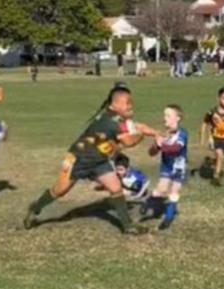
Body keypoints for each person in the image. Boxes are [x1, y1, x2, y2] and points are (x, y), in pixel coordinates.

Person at [23, 84, 160, 234]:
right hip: (78, 159)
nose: (131, 106)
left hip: (99, 161)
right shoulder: (111, 122)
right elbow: (129, 142)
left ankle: (128, 226)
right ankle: (35, 208)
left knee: (116, 188)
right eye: (127, 103)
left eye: (131, 102)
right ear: (114, 106)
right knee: (59, 191)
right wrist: (141, 136)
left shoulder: (118, 118)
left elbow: (138, 126)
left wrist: (157, 134)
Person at [142, 105, 188, 230]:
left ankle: (168, 218)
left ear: (177, 118)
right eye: (164, 115)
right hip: (167, 166)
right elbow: (151, 153)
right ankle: (149, 201)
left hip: (179, 167)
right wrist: (156, 145)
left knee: (174, 192)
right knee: (161, 190)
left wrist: (161, 145)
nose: (164, 118)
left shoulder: (182, 134)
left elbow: (175, 149)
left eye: (168, 115)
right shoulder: (162, 134)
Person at [199, 87, 224, 186]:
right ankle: (216, 177)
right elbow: (204, 123)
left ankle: (211, 161)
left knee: (220, 158)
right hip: (214, 138)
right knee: (220, 155)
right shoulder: (212, 111)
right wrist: (203, 138)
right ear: (218, 98)